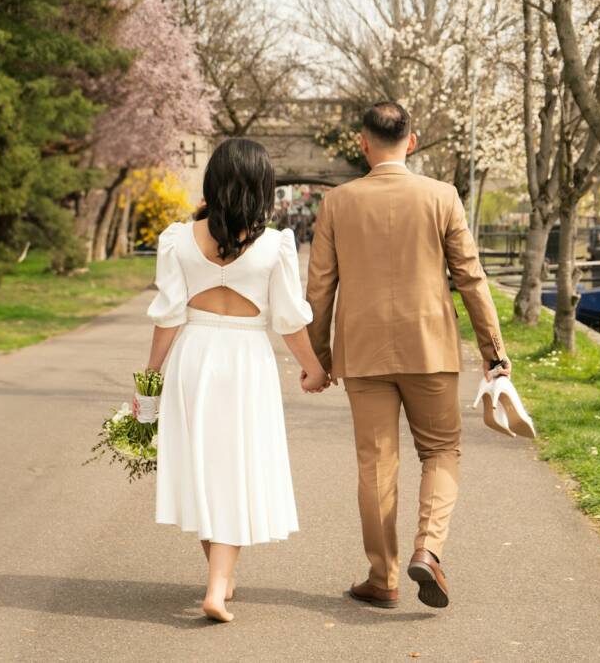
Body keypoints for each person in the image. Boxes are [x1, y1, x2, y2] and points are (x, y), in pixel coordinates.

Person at [306, 101, 511, 609]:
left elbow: (319, 288)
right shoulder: (442, 196)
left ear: (363, 143)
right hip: (430, 347)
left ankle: (384, 577)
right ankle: (429, 548)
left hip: (363, 350)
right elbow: (470, 277)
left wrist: (319, 355)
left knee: (377, 465)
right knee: (441, 451)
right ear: (412, 141)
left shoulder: (337, 202)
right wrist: (493, 351)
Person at [141, 138, 330, 623]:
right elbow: (289, 321)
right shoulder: (275, 246)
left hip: (193, 356)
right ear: (262, 186)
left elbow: (167, 317)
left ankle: (221, 577)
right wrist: (313, 368)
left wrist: (150, 378)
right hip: (246, 360)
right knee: (237, 468)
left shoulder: (179, 240)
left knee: (207, 467)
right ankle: (217, 587)